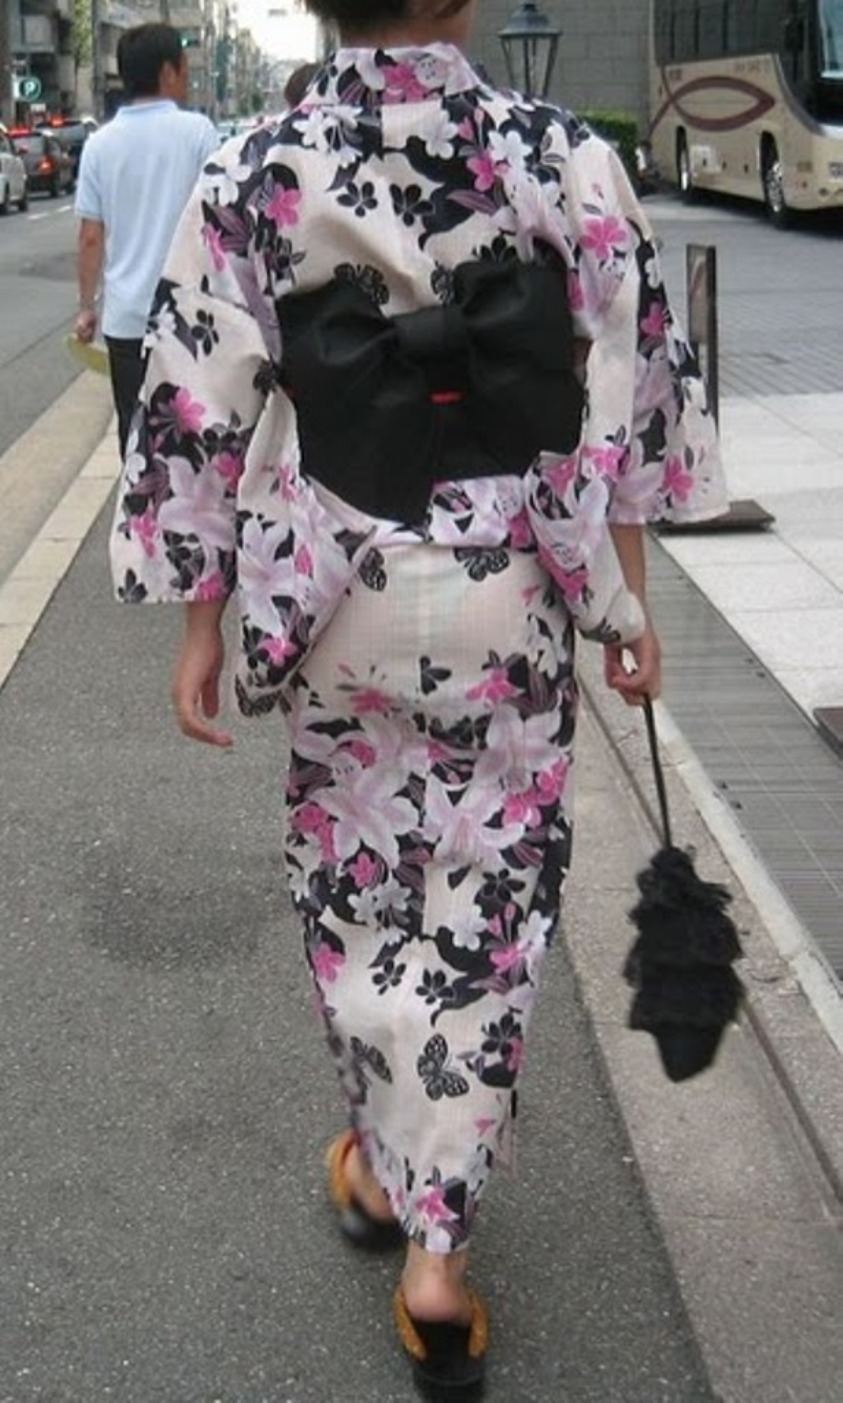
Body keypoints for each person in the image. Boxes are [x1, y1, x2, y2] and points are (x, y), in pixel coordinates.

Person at [109, 1, 728, 1396]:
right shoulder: (558, 152)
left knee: (360, 897)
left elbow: (195, 403)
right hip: (513, 582)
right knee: (485, 914)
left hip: (337, 587)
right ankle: (436, 1249)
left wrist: (200, 617)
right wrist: (625, 606)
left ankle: (389, 1167)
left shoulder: (254, 163)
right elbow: (621, 395)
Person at [74, 23, 218, 455]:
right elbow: (215, 220)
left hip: (127, 319)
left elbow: (91, 237)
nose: (187, 76)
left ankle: (138, 499)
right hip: (190, 314)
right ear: (167, 71)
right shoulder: (198, 133)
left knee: (135, 432)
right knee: (192, 434)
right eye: (184, 66)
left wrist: (86, 308)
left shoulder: (99, 145)